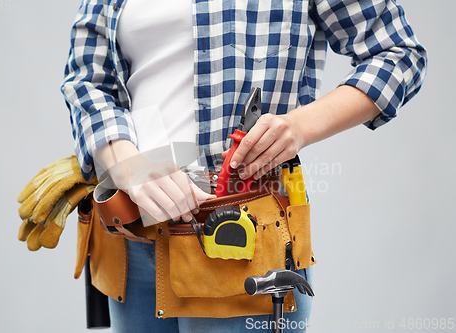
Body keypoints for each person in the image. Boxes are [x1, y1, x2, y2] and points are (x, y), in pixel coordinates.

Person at [61, 0, 427, 332]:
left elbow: (400, 55)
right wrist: (129, 164)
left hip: (237, 241)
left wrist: (299, 126)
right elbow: (87, 80)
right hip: (131, 228)